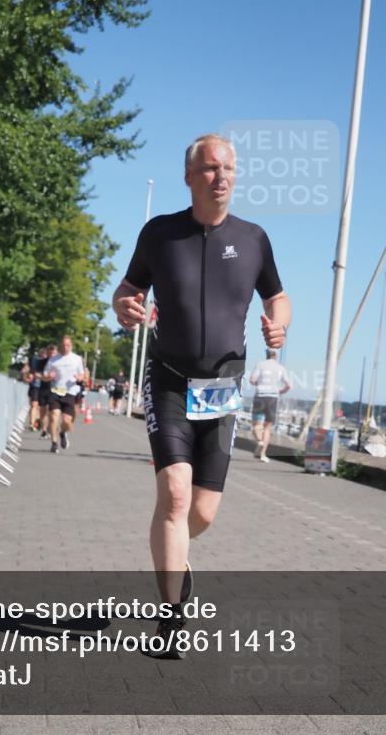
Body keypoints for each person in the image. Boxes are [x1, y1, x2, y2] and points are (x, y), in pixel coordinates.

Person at [112, 133, 290, 658]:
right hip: (168, 377)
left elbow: (278, 296)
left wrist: (278, 324)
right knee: (175, 494)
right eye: (211, 168)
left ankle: (173, 550)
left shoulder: (254, 238)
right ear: (190, 177)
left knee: (203, 512)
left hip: (222, 387)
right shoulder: (160, 234)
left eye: (228, 168)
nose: (222, 176)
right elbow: (128, 289)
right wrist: (124, 306)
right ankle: (170, 621)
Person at [44, 336, 85, 453]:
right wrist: (49, 376)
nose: (65, 347)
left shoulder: (77, 359)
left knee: (67, 421)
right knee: (54, 416)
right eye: (63, 345)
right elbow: (45, 375)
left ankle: (62, 433)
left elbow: (82, 375)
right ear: (60, 345)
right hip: (55, 391)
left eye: (68, 345)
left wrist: (79, 378)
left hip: (70, 392)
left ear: (71, 346)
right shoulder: (53, 359)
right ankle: (54, 443)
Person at [248, 349, 290, 463]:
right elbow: (288, 385)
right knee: (267, 427)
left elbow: (252, 380)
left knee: (256, 425)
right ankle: (262, 455)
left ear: (266, 354)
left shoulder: (260, 365)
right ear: (276, 355)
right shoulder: (281, 368)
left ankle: (259, 441)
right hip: (273, 398)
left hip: (260, 396)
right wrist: (279, 391)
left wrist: (260, 384)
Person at [37, 342, 57, 438]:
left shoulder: (60, 363)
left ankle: (50, 429)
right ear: (47, 353)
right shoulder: (42, 362)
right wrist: (45, 378)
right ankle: (44, 429)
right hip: (44, 388)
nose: (51, 355)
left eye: (53, 353)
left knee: (52, 411)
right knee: (43, 410)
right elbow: (36, 374)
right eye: (49, 353)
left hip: (56, 389)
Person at [27, 347, 48, 431]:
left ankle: (37, 422)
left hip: (44, 387)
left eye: (44, 355)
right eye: (41, 355)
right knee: (34, 405)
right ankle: (32, 424)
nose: (43, 357)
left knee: (40, 407)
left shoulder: (49, 363)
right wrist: (29, 375)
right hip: (35, 386)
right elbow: (29, 371)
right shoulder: (35, 361)